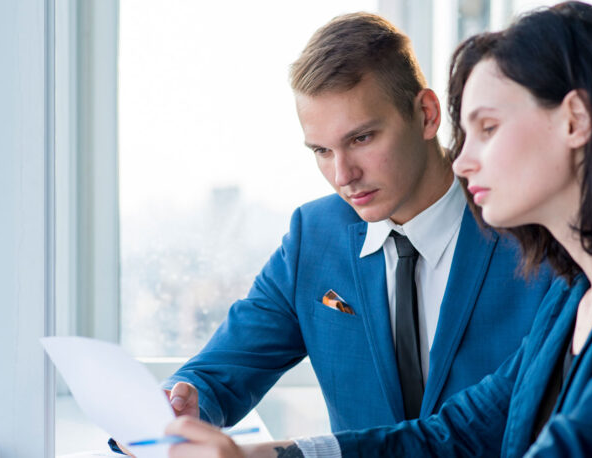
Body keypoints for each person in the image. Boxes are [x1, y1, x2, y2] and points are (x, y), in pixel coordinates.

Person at [161, 2, 592, 457]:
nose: (465, 160)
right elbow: (459, 433)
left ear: (575, 121)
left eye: (488, 128)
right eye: (321, 151)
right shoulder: (577, 292)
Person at [134, 11, 552, 451]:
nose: (343, 175)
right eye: (321, 150)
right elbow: (219, 372)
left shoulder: (535, 236)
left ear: (427, 115)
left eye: (361, 139)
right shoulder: (314, 237)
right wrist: (180, 404)